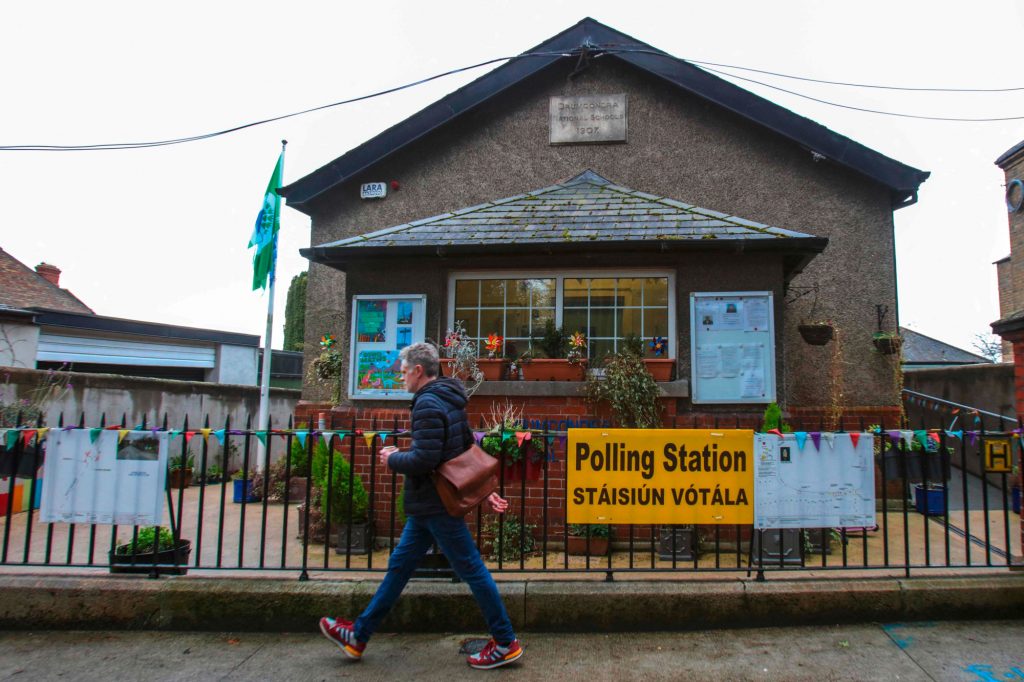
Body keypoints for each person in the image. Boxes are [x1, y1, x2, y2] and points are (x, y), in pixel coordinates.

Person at [319, 342, 524, 670]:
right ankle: (358, 635)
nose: (401, 379)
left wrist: (393, 458)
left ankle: (505, 641)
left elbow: (426, 458)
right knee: (400, 568)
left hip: (435, 505)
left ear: (417, 371)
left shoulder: (428, 404)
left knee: (471, 568)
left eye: (403, 373)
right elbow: (462, 448)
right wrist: (484, 490)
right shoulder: (450, 397)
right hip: (428, 507)